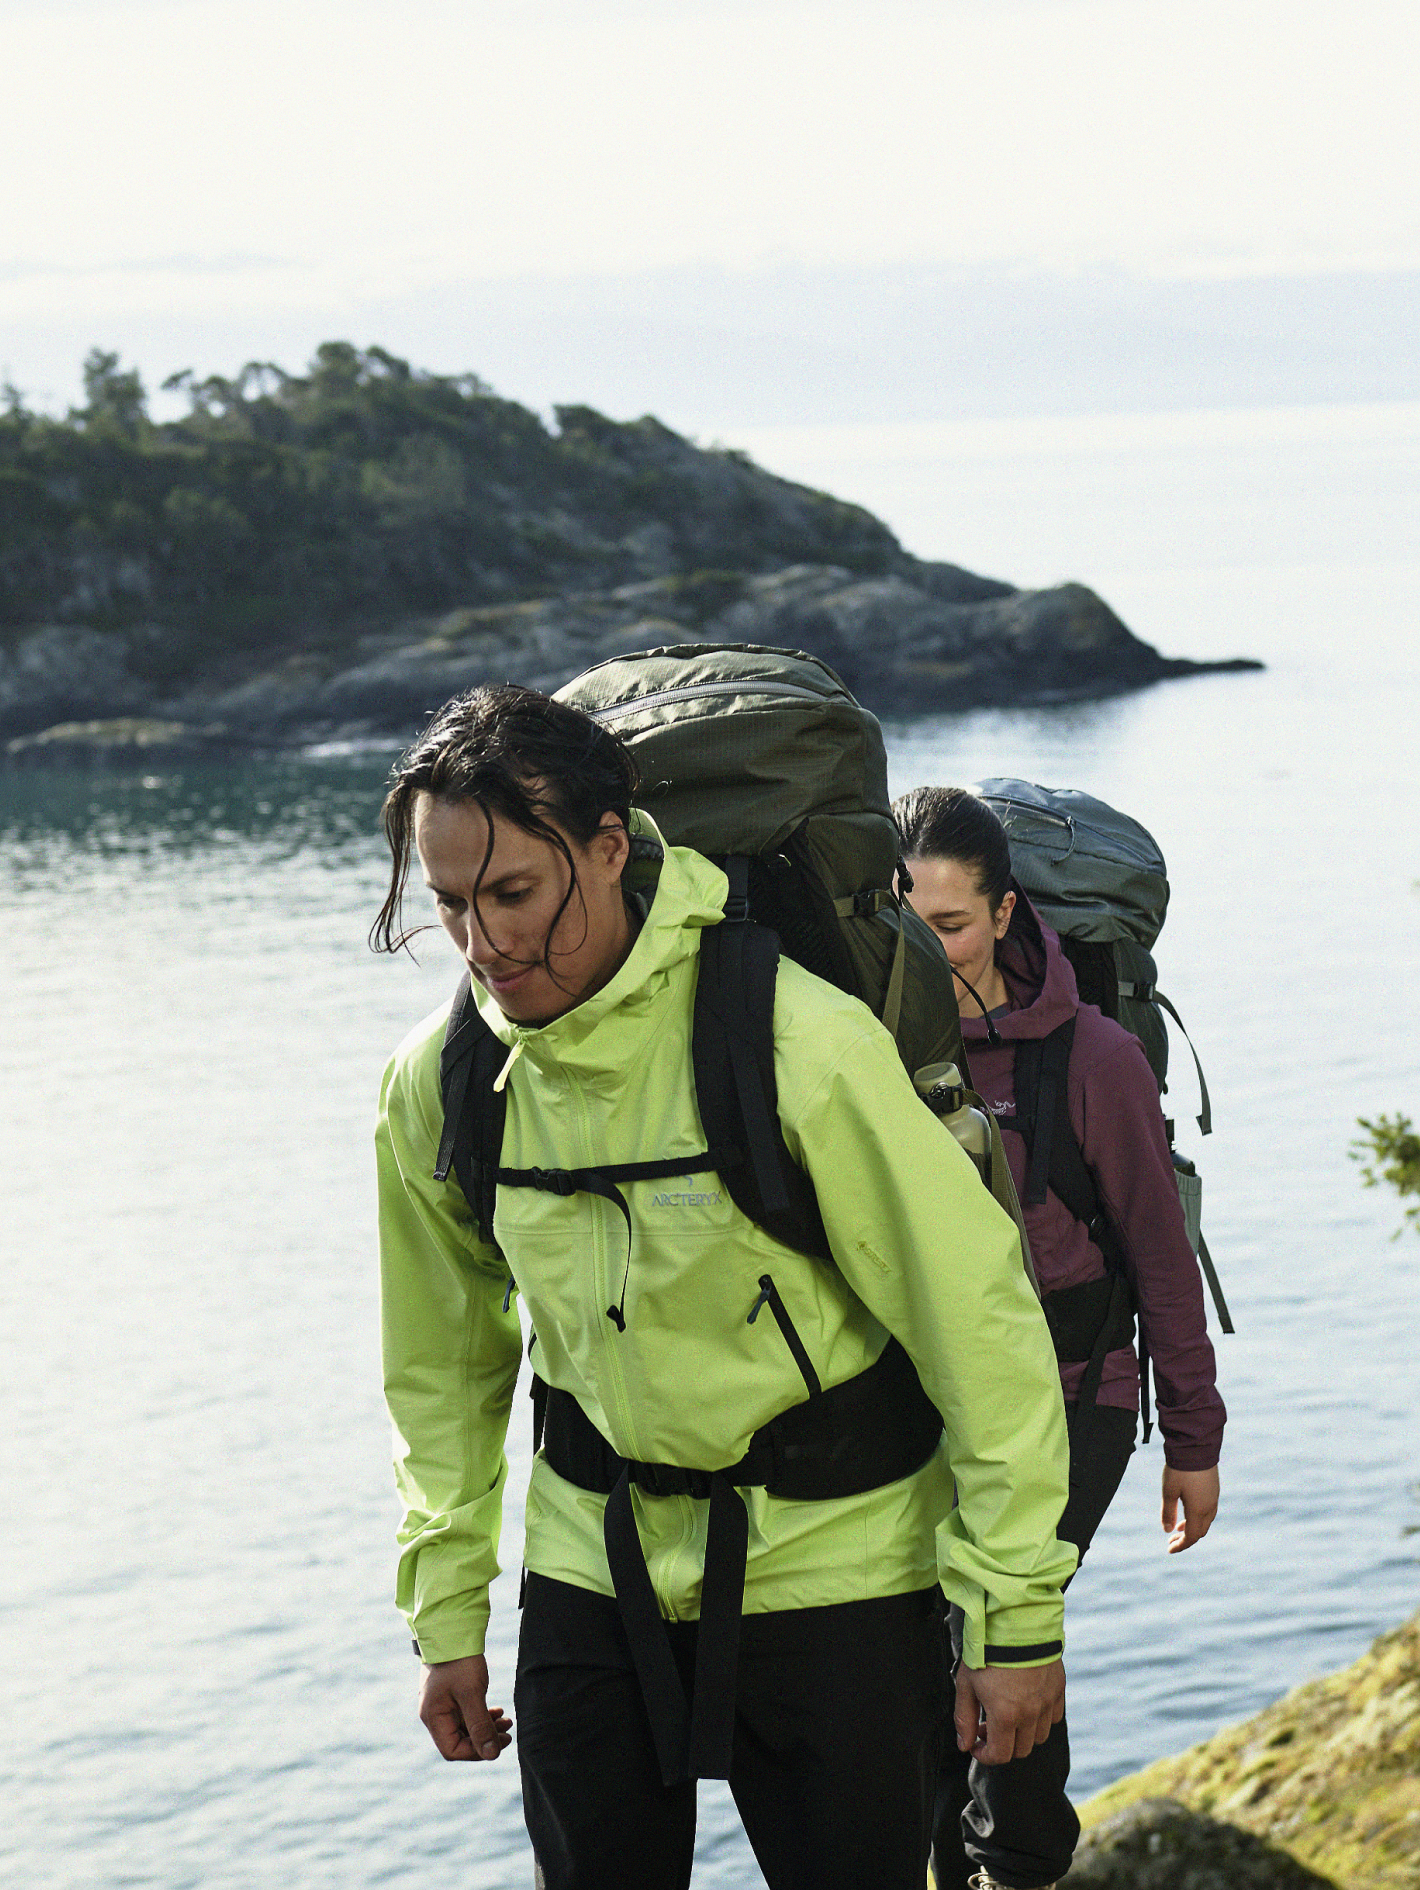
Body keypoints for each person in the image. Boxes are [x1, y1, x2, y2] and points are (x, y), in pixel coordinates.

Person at [372, 685, 1079, 1890]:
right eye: (448, 905)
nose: (484, 944)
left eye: (513, 893)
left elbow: (978, 1324)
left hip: (839, 1567)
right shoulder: (441, 1083)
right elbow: (443, 1366)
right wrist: (448, 1616)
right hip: (592, 1572)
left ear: (607, 851)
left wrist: (1014, 1617)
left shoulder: (793, 1039)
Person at [894, 783, 1226, 1890]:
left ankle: (1021, 1866)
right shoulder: (863, 1050)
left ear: (1000, 914)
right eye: (907, 924)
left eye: (949, 925)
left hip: (1071, 1390)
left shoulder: (1090, 1058)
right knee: (922, 1662)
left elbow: (1158, 1257)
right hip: (925, 1398)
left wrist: (1192, 1437)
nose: (929, 951)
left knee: (996, 1618)